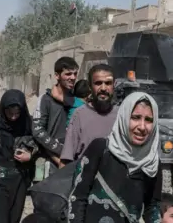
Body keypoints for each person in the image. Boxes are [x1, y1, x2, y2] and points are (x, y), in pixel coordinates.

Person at [67, 92, 162, 223]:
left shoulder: (152, 163)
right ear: (123, 117)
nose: (142, 127)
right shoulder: (101, 148)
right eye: (135, 117)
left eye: (149, 120)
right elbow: (77, 197)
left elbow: (152, 208)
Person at [0, 89, 38, 223]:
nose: (14, 117)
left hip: (20, 179)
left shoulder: (28, 123)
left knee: (14, 218)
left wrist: (30, 155)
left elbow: (41, 146)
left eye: (17, 113)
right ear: (3, 109)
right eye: (10, 113)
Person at [60, 64, 119, 166]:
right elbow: (66, 160)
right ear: (90, 86)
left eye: (108, 83)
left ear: (114, 85)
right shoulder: (79, 115)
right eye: (98, 83)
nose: (103, 88)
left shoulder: (122, 115)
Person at [32, 56, 79, 178]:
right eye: (68, 74)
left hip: (72, 161)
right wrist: (61, 151)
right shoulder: (45, 99)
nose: (73, 78)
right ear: (57, 76)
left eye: (75, 74)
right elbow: (37, 131)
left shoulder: (76, 101)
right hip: (49, 162)